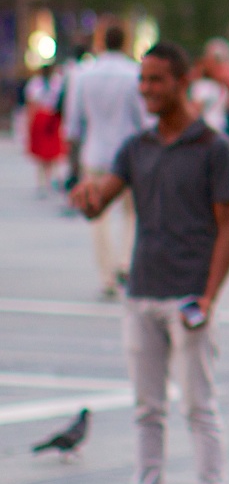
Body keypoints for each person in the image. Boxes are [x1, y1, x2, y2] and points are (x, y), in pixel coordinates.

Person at [71, 43, 229, 484]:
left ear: (182, 82)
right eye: (142, 81)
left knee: (199, 407)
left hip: (188, 294)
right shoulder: (136, 147)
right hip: (141, 290)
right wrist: (87, 198)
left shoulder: (214, 148)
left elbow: (228, 228)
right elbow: (101, 200)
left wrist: (209, 297)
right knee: (146, 408)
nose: (145, 90)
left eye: (156, 81)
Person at [63, 25, 148, 296]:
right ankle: (126, 261)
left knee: (98, 215)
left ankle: (106, 275)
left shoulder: (84, 75)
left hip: (96, 152)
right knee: (132, 212)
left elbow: (73, 123)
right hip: (129, 153)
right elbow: (144, 119)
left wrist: (71, 163)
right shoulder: (134, 74)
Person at [23, 62, 68, 193]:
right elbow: (31, 103)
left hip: (52, 118)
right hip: (41, 117)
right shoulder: (35, 84)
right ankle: (42, 181)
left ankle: (53, 178)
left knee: (53, 153)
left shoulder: (57, 83)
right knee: (41, 154)